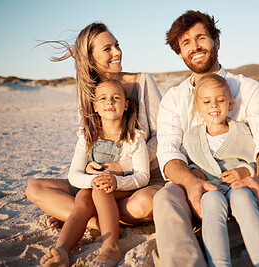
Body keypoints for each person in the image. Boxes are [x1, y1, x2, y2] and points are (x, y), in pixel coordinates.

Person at [153, 10, 259, 266]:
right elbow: (168, 151)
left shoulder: (248, 88)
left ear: (216, 42)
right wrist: (190, 182)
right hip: (196, 191)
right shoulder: (174, 98)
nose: (195, 47)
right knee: (165, 198)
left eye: (201, 38)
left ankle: (205, 240)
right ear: (179, 53)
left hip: (244, 189)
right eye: (186, 43)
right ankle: (187, 258)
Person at [26, 22, 164, 231]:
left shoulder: (142, 82)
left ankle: (77, 216)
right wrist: (90, 166)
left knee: (146, 202)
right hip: (98, 179)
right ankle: (93, 222)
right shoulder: (88, 94)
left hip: (139, 178)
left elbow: (163, 136)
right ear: (90, 58)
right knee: (35, 188)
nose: (117, 52)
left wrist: (122, 166)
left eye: (117, 45)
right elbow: (87, 140)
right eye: (107, 49)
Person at [40, 79, 149, 266]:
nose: (110, 102)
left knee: (101, 190)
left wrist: (117, 182)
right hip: (92, 185)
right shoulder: (87, 136)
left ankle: (111, 245)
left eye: (116, 98)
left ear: (126, 105)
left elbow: (143, 175)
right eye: (103, 98)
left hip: (121, 187)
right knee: (82, 199)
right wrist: (92, 181)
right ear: (95, 106)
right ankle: (62, 250)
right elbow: (74, 174)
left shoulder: (134, 137)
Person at [181, 74, 259, 266]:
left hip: (238, 186)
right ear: (198, 107)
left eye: (220, 100)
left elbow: (255, 161)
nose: (214, 105)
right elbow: (188, 163)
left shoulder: (242, 131)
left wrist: (245, 171)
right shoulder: (191, 136)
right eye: (207, 101)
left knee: (243, 199)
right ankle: (219, 263)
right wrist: (195, 174)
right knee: (211, 202)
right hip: (210, 188)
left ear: (230, 104)